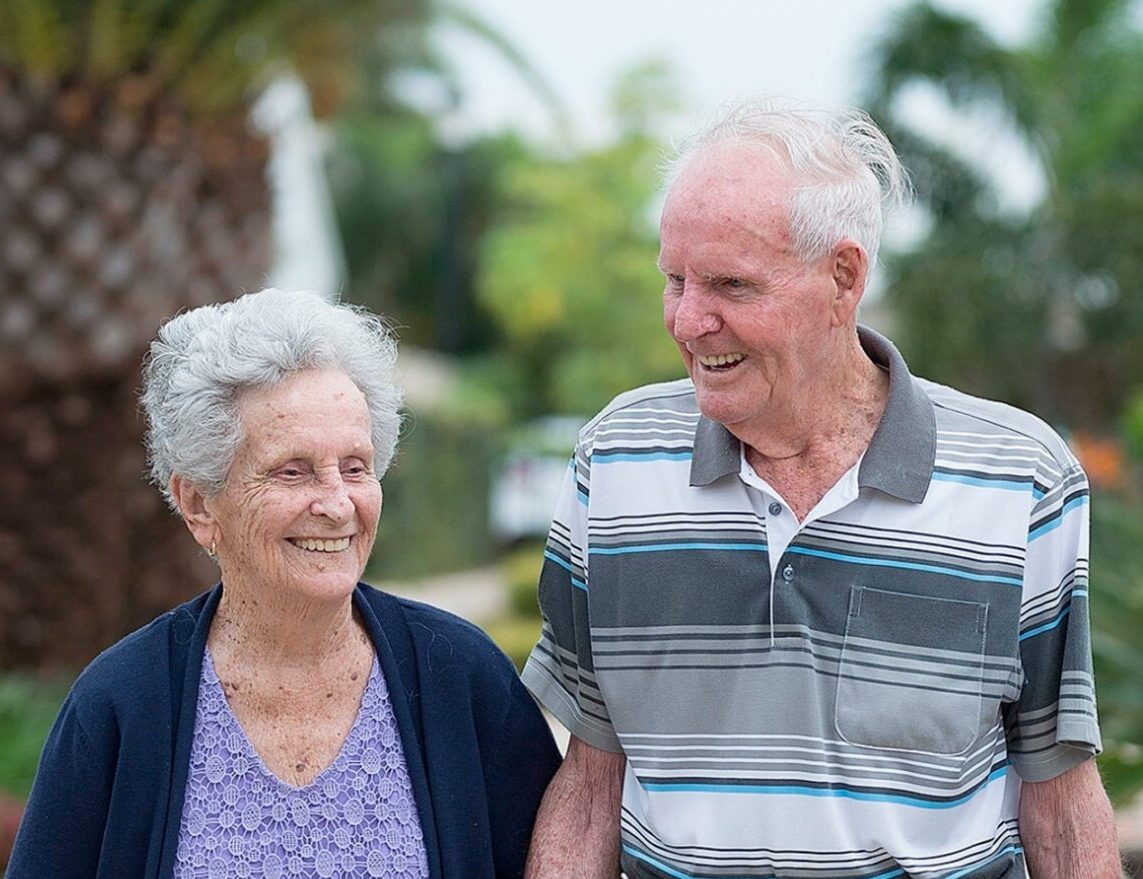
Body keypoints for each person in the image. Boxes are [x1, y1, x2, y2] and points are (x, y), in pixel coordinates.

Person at [520, 101, 1120, 879]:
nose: (688, 320)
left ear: (843, 278)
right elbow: (590, 781)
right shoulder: (615, 462)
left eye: (730, 285)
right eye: (674, 279)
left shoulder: (1017, 479)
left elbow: (1061, 797)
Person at [9, 288, 561, 878]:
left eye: (355, 468)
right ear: (198, 504)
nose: (336, 504)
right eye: (292, 471)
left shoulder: (463, 676)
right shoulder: (120, 704)